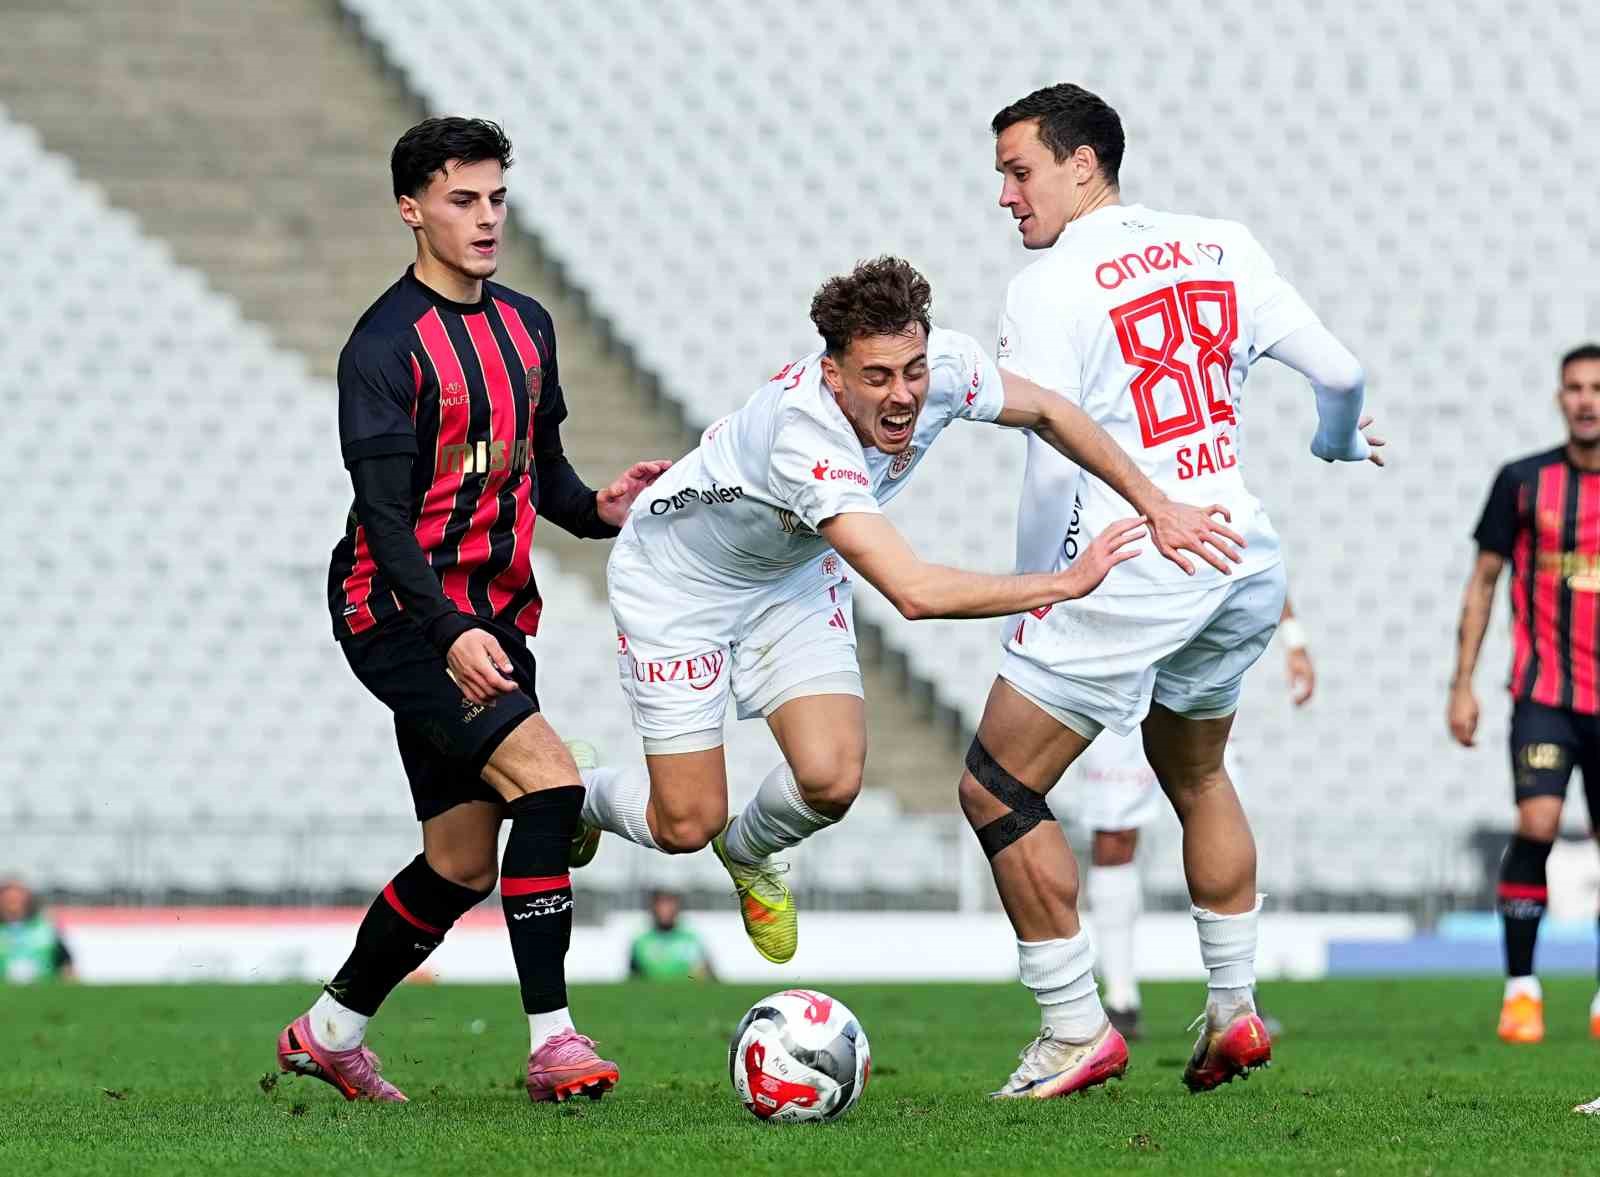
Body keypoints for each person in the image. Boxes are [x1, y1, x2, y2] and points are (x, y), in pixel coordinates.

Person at [575, 256, 1244, 966]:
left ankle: (748, 854)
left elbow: (1049, 410)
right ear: (833, 375)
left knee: (832, 780)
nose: (904, 396)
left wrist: (1157, 503)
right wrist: (1063, 582)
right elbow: (913, 591)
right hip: (679, 584)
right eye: (877, 377)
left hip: (791, 571)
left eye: (913, 370)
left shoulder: (945, 368)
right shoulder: (806, 436)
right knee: (684, 821)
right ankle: (577, 793)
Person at [965, 82, 1384, 1100]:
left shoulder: (1052, 284)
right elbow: (1340, 373)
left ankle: (1074, 1026)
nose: (1007, 198)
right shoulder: (1221, 243)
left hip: (1140, 550)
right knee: (1193, 771)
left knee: (994, 786)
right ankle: (1235, 1011)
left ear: (1081, 164)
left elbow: (1053, 455)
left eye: (1019, 173)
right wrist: (1331, 443)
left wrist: (1039, 586)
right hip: (1241, 546)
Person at [276, 117, 670, 1105]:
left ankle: (329, 1032)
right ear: (412, 209)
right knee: (550, 784)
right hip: (398, 616)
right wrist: (448, 632)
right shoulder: (382, 347)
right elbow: (385, 516)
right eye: (463, 199)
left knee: (457, 864)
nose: (487, 217)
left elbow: (545, 475)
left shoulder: (528, 326)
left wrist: (598, 511)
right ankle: (555, 1043)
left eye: (496, 197)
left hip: (491, 622)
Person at [1051, 597, 1312, 1041]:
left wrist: (1294, 639)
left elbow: (1251, 549)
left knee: (1218, 818)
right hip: (1118, 668)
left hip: (1194, 670)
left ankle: (1237, 994)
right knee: (1114, 836)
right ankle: (1120, 999)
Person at [1448, 342, 1600, 1047]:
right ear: (1558, 397)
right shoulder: (1522, 481)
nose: (1586, 400)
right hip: (1545, 694)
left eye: (1597, 387)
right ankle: (1521, 990)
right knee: (1536, 826)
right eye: (1574, 387)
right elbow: (1482, 582)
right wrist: (1462, 683)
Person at [628, 890, 714, 981]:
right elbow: (633, 978)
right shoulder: (641, 942)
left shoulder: (691, 940)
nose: (665, 909)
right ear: (653, 906)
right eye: (660, 903)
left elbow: (707, 974)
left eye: (670, 903)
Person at [0, 879, 73, 984]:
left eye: (17, 899)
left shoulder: (45, 927)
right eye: (8, 899)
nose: (13, 903)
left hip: (43, 990)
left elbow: (65, 961)